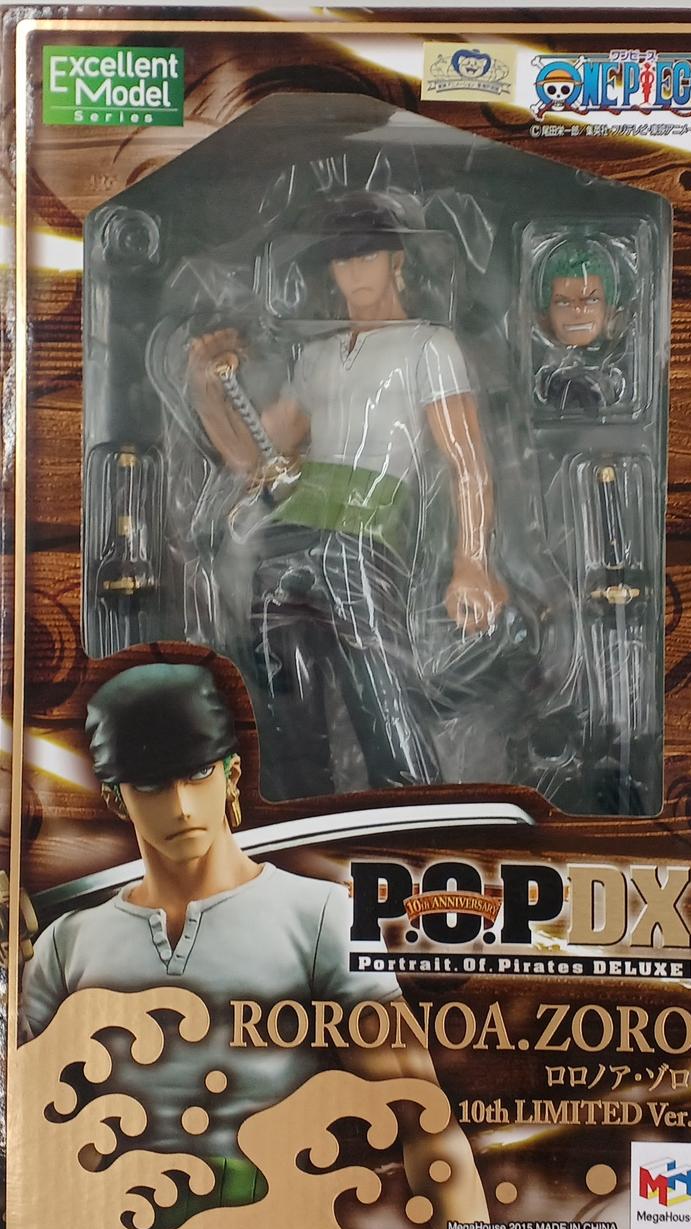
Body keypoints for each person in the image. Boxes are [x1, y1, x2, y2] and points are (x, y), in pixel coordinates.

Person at [21, 663, 497, 1229]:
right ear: (117, 798)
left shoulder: (318, 917)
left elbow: (423, 1118)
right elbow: (24, 1128)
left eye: (198, 774)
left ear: (231, 774)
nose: (181, 805)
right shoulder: (66, 943)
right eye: (152, 785)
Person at [187, 193, 509, 800]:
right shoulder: (318, 354)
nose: (354, 271)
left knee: (380, 683)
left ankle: (414, 802)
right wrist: (208, 389)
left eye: (367, 256)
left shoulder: (429, 345)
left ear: (396, 261)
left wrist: (472, 559)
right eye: (342, 260)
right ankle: (296, 803)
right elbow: (251, 458)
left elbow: (467, 461)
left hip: (366, 531)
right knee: (283, 686)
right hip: (288, 532)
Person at [534, 237, 626, 414]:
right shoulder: (547, 369)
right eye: (563, 302)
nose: (577, 310)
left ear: (609, 310)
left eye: (591, 300)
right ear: (545, 314)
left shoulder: (611, 367)